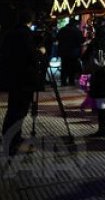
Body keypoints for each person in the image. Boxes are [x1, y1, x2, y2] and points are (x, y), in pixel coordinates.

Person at [0, 10, 45, 156]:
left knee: (13, 108)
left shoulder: (9, 34)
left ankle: (12, 137)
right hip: (24, 79)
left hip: (12, 78)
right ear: (30, 21)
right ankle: (12, 141)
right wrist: (40, 52)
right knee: (19, 111)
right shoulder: (26, 35)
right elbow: (30, 56)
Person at [84, 22, 105, 137]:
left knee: (101, 102)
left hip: (99, 74)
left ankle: (102, 129)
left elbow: (84, 57)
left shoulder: (95, 43)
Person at [56, 18, 84, 86]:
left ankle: (63, 81)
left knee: (64, 66)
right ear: (75, 24)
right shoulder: (77, 31)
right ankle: (71, 81)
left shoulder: (62, 29)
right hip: (73, 52)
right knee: (72, 67)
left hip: (63, 52)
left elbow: (57, 39)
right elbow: (80, 41)